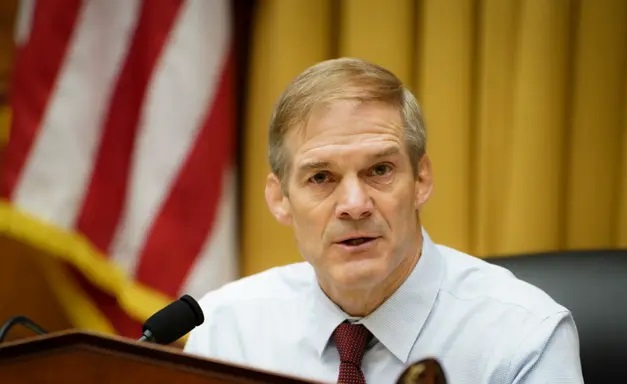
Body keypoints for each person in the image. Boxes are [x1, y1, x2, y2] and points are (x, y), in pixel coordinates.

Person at [184, 57, 584, 384]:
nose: (355, 205)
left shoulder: (522, 336)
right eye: (321, 177)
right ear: (280, 199)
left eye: (379, 170)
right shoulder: (227, 329)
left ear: (421, 180)